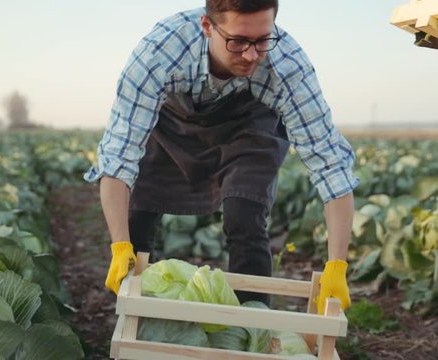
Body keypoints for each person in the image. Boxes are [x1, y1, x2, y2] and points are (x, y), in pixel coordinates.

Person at [85, 0, 358, 312]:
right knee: (137, 217)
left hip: (249, 125)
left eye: (262, 40)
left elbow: (331, 165)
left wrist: (337, 264)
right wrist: (120, 245)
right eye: (238, 42)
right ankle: (134, 315)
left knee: (246, 214)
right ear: (207, 27)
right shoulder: (159, 54)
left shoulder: (287, 64)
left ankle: (252, 329)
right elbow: (119, 156)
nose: (252, 54)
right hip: (172, 123)